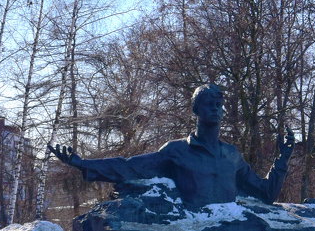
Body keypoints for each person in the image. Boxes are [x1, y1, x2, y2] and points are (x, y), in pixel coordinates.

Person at [48, 84, 295, 209]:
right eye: (210, 103)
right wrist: (83, 164)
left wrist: (282, 159)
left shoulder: (232, 155)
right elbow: (130, 167)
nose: (216, 109)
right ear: (196, 109)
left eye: (219, 104)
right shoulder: (176, 151)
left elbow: (266, 194)